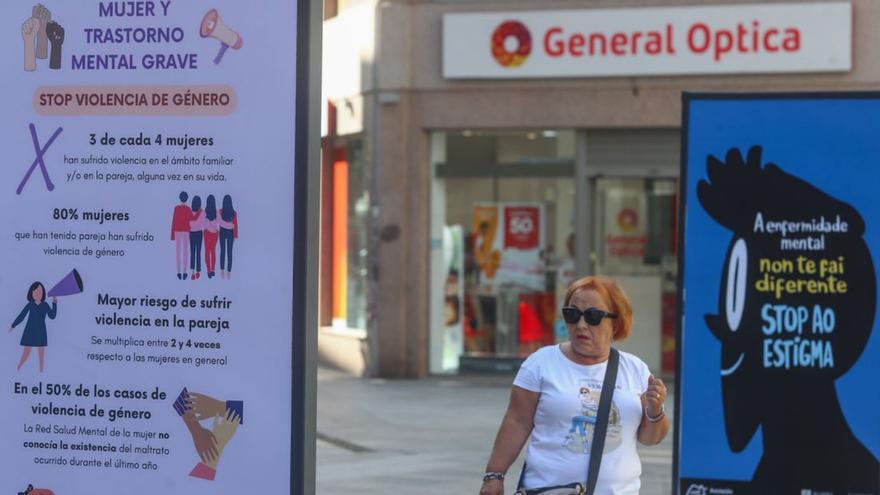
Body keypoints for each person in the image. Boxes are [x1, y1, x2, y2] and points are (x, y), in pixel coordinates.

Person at [480, 276, 669, 495]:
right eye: (572, 314)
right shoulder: (541, 364)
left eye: (593, 317)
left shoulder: (635, 370)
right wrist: (494, 475)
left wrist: (655, 412)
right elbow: (517, 422)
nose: (581, 324)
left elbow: (650, 438)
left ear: (615, 323)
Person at [9, 282, 57, 373]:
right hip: (30, 331)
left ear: (43, 293)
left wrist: (54, 303)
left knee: (41, 353)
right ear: (31, 293)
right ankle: (18, 368)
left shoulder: (45, 305)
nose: (38, 293)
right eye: (35, 292)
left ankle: (41, 371)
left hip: (41, 331)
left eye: (40, 291)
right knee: (26, 352)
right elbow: (22, 316)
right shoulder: (30, 304)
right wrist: (13, 325)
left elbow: (52, 316)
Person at [218, 195, 238, 279]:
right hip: (230, 233)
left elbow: (219, 223)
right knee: (229, 253)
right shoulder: (234, 213)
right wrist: (235, 235)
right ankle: (228, 273)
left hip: (222, 232)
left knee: (222, 252)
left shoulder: (220, 211)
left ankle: (222, 271)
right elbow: (235, 225)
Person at [201, 195, 220, 279]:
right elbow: (217, 224)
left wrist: (209, 226)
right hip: (215, 234)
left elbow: (204, 224)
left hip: (206, 233)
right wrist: (214, 230)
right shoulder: (217, 212)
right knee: (213, 251)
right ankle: (213, 270)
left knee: (207, 252)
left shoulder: (204, 212)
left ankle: (208, 270)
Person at [188, 195, 204, 280]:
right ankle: (198, 271)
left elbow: (188, 223)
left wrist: (192, 225)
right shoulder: (202, 212)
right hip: (199, 233)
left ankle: (193, 272)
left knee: (192, 252)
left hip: (191, 233)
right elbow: (203, 223)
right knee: (198, 252)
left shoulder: (189, 211)